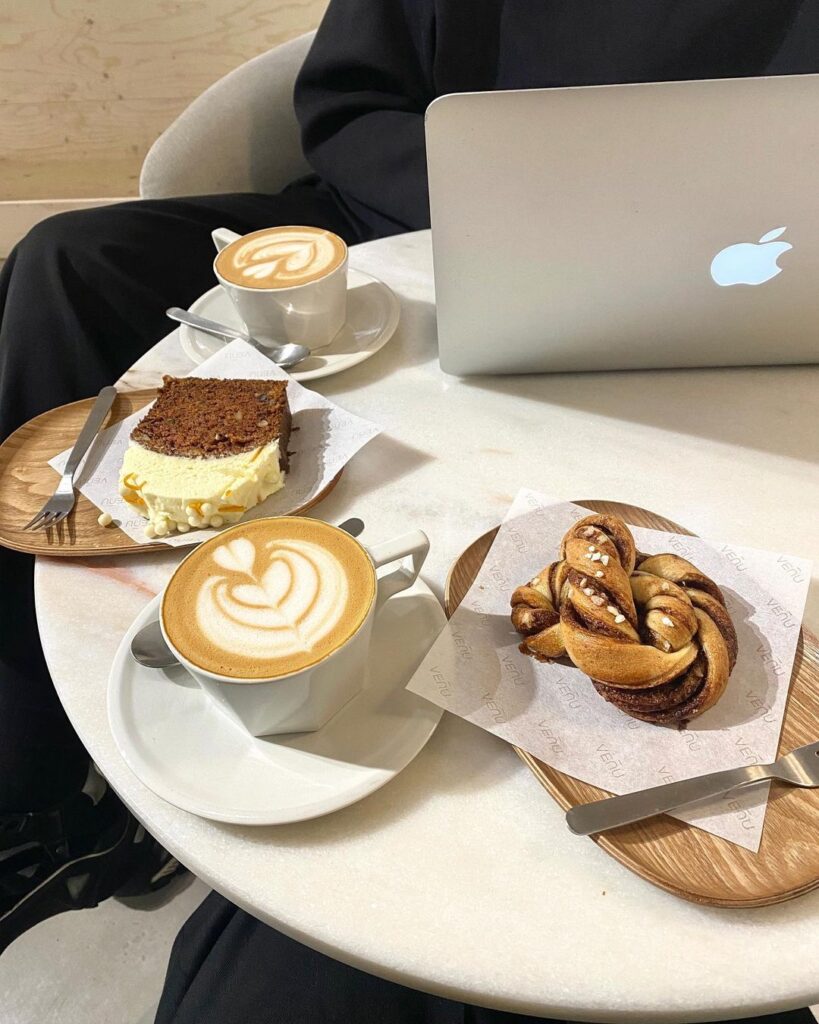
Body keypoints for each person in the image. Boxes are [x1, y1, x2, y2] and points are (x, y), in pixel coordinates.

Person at [0, 0, 816, 1018]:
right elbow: (346, 106)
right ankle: (29, 780)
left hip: (741, 269)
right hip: (413, 239)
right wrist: (511, 203)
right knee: (68, 262)